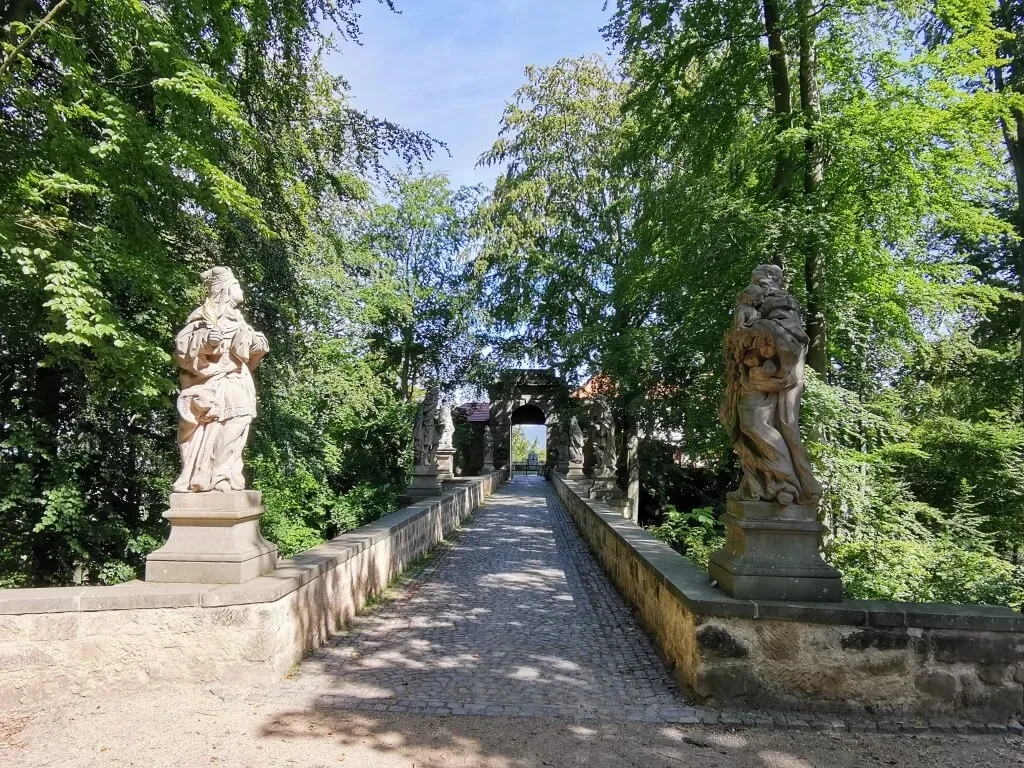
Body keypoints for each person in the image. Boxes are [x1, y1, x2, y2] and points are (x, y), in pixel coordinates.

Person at [172, 267, 269, 492]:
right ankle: (216, 476)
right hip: (216, 383)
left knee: (239, 424)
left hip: (239, 380)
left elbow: (246, 354)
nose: (241, 289)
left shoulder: (239, 321)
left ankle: (225, 473)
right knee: (220, 426)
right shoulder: (204, 318)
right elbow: (183, 351)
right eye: (236, 285)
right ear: (225, 290)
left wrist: (258, 345)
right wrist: (206, 340)